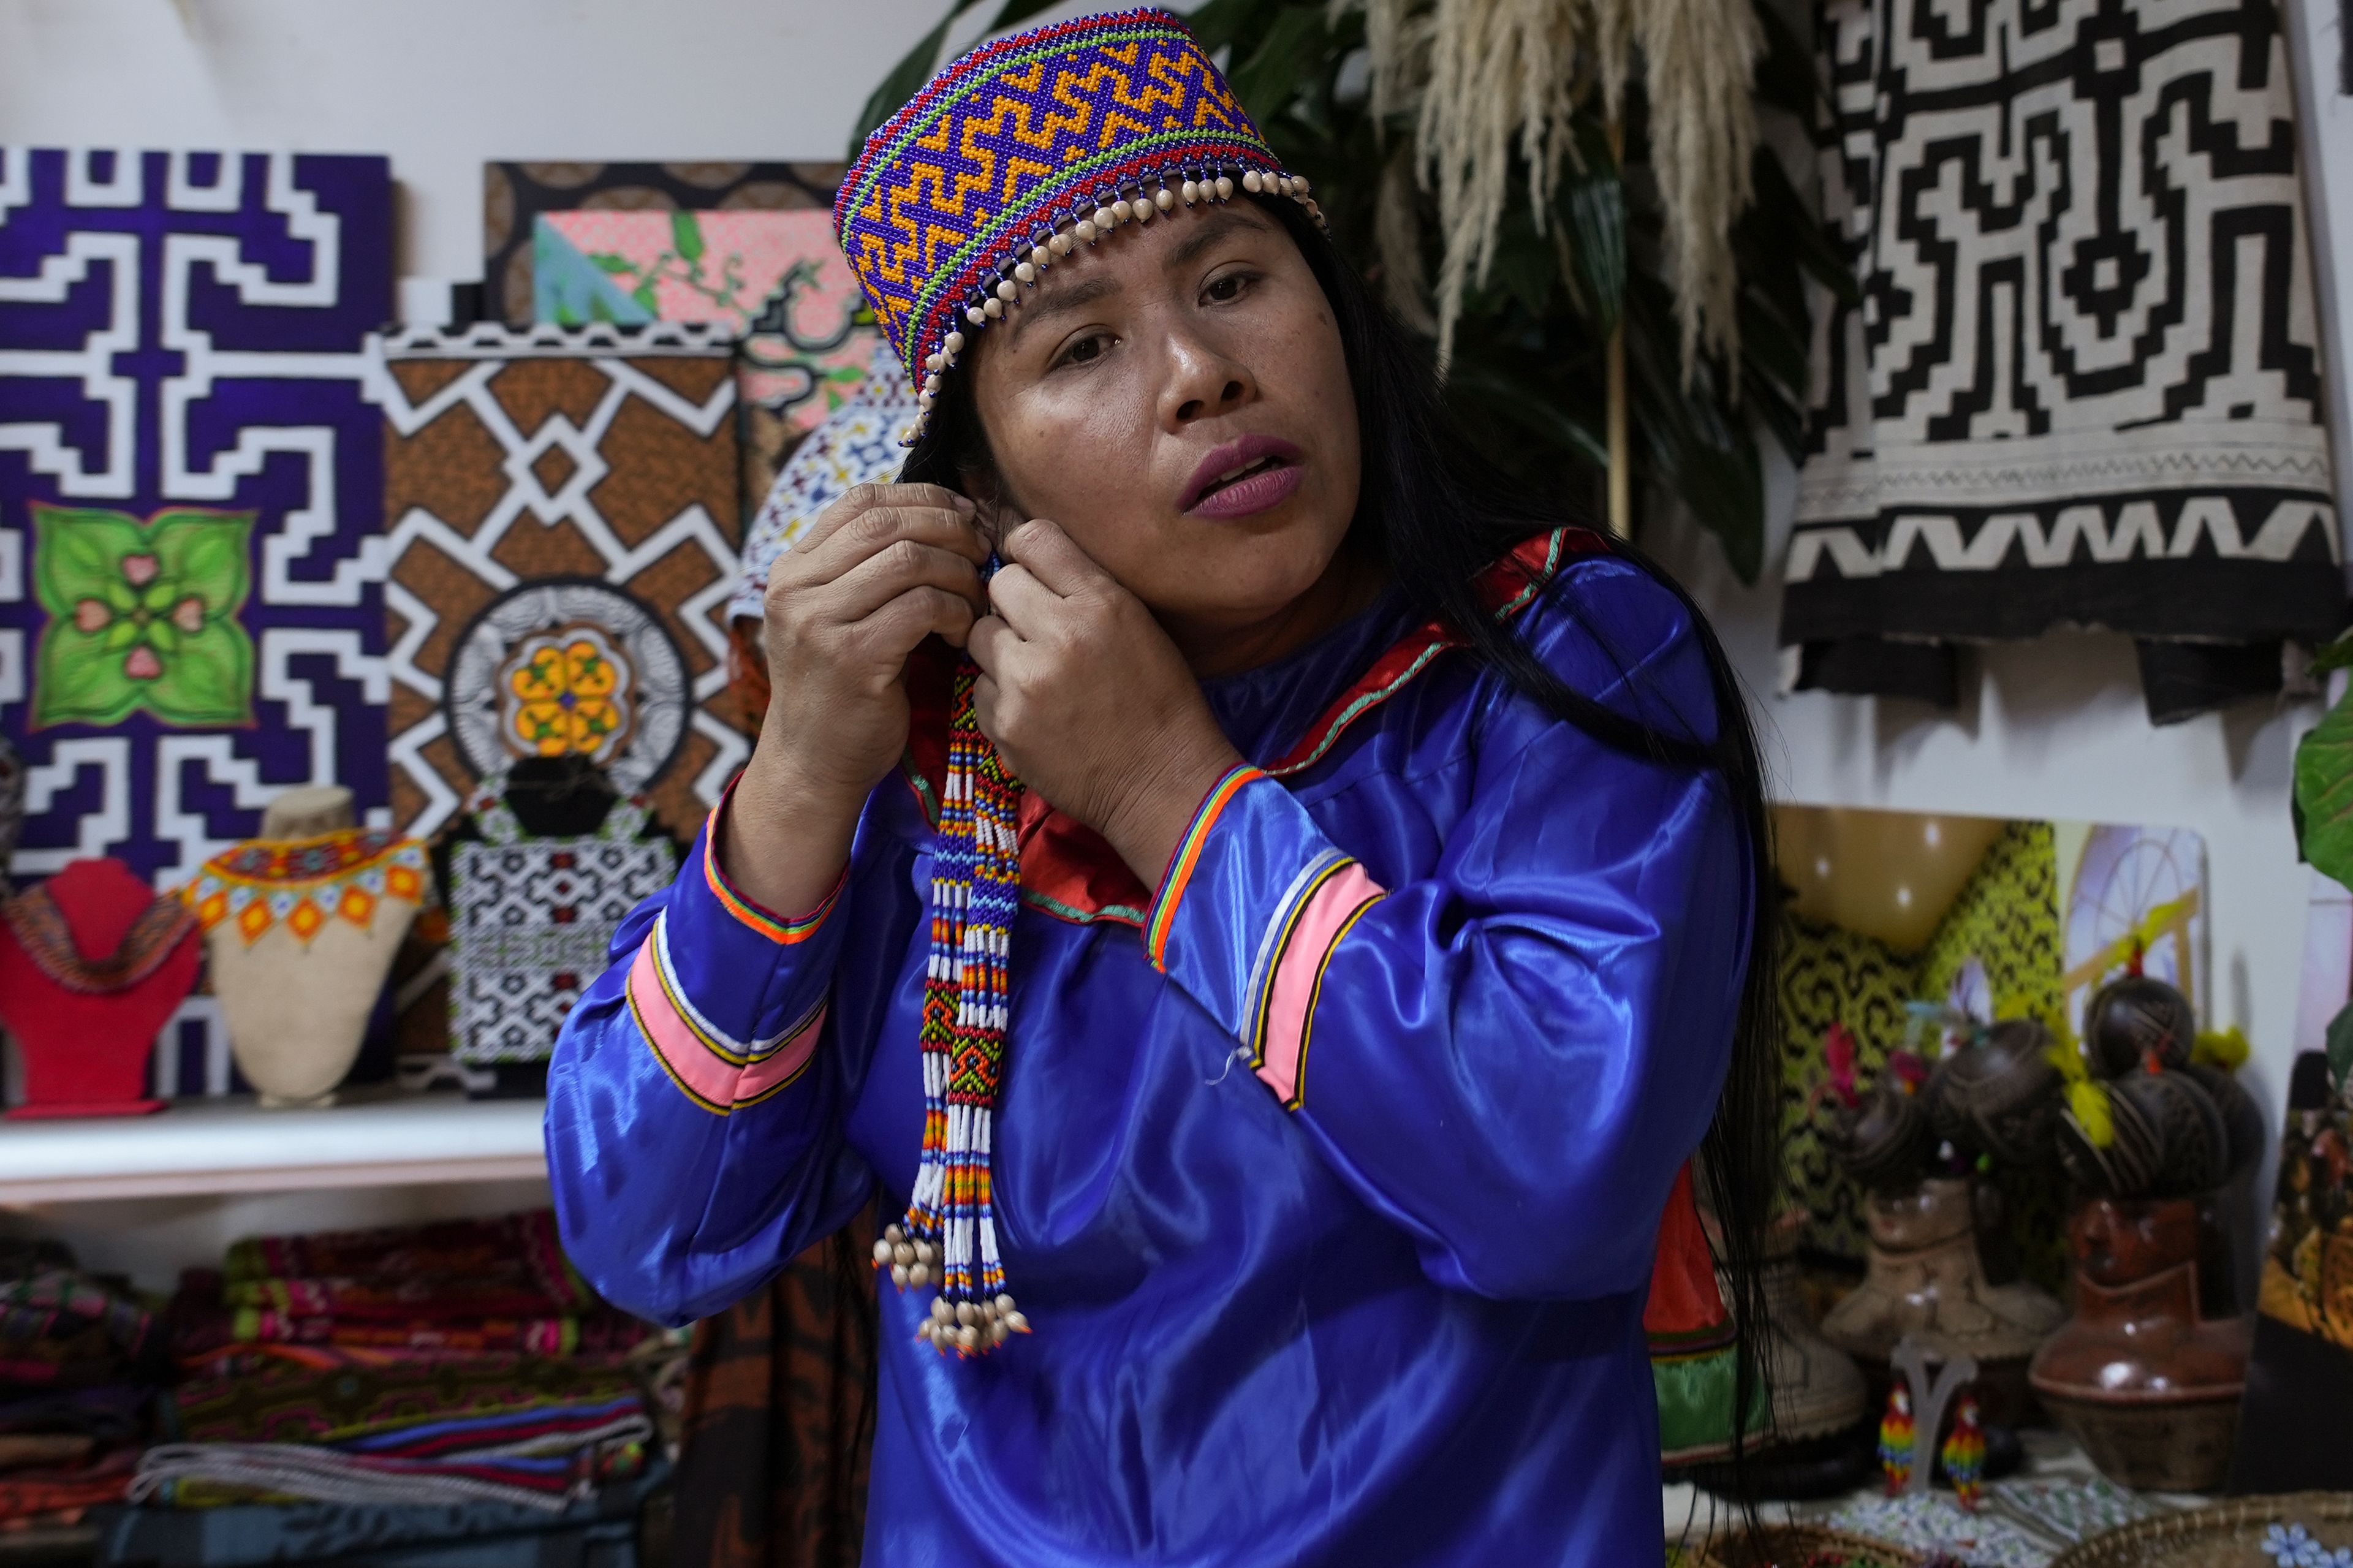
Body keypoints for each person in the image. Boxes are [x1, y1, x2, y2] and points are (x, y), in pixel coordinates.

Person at [547, 9, 1781, 1562]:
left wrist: (1164, 787)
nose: (1202, 373)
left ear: (1330, 309)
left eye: (1233, 280)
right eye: (1080, 344)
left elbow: (1556, 1178)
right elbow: (655, 1231)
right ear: (978, 479)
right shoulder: (915, 772)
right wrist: (796, 777)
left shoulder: (1559, 662)